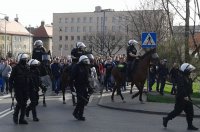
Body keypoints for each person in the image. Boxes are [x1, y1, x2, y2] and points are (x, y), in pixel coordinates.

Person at [163, 63, 198, 131]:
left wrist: (191, 80)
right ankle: (166, 119)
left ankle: (190, 125)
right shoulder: (180, 78)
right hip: (181, 98)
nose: (191, 72)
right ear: (185, 71)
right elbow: (181, 88)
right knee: (177, 112)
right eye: (189, 70)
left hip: (187, 97)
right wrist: (185, 96)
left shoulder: (188, 78)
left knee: (190, 112)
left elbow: (190, 90)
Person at [9, 53, 30, 124]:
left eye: (26, 59)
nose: (26, 60)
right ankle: (15, 115)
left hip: (26, 88)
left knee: (24, 103)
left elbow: (30, 78)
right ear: (21, 60)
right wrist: (10, 87)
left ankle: (21, 119)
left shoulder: (27, 67)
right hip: (18, 88)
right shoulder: (16, 68)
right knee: (21, 103)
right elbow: (11, 78)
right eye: (24, 59)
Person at [71, 55, 93, 121]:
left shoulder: (86, 67)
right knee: (80, 100)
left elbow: (87, 78)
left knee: (83, 101)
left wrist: (90, 87)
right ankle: (77, 114)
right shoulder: (76, 67)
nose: (86, 62)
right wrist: (72, 88)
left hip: (84, 86)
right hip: (78, 86)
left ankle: (78, 114)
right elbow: (72, 78)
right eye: (85, 60)